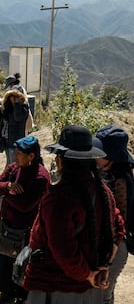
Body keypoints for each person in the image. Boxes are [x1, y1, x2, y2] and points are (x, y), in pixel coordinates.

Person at [23, 125, 125, 304]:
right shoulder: (104, 192)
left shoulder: (59, 199)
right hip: (89, 289)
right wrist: (103, 267)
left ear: (62, 161)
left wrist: (86, 274)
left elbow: (64, 250)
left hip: (56, 288)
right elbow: (118, 228)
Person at [0, 136, 50, 304]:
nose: (15, 156)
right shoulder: (13, 168)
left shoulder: (41, 177)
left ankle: (23, 298)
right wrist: (8, 186)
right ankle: (5, 294)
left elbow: (25, 206)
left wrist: (6, 194)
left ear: (31, 156)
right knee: (4, 262)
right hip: (8, 227)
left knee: (24, 264)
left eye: (19, 153)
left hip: (27, 231)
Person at [92, 125, 134, 304]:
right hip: (105, 245)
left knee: (103, 295)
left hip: (114, 248)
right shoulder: (102, 171)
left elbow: (119, 223)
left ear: (111, 157)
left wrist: (107, 260)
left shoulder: (120, 181)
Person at [0, 89, 29, 166]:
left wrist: (16, 105)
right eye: (11, 98)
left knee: (14, 163)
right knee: (9, 162)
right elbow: (2, 120)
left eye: (15, 98)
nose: (12, 100)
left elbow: (18, 118)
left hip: (16, 140)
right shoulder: (8, 109)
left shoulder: (24, 108)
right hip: (6, 139)